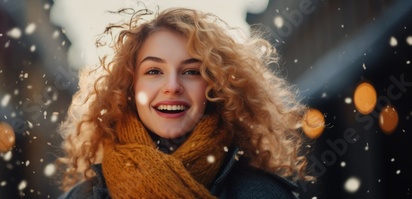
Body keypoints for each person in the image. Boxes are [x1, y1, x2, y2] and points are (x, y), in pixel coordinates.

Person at [57, 7, 313, 199]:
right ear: (130, 87)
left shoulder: (263, 194)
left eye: (191, 72)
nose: (172, 86)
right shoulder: (83, 197)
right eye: (154, 71)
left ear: (214, 85)